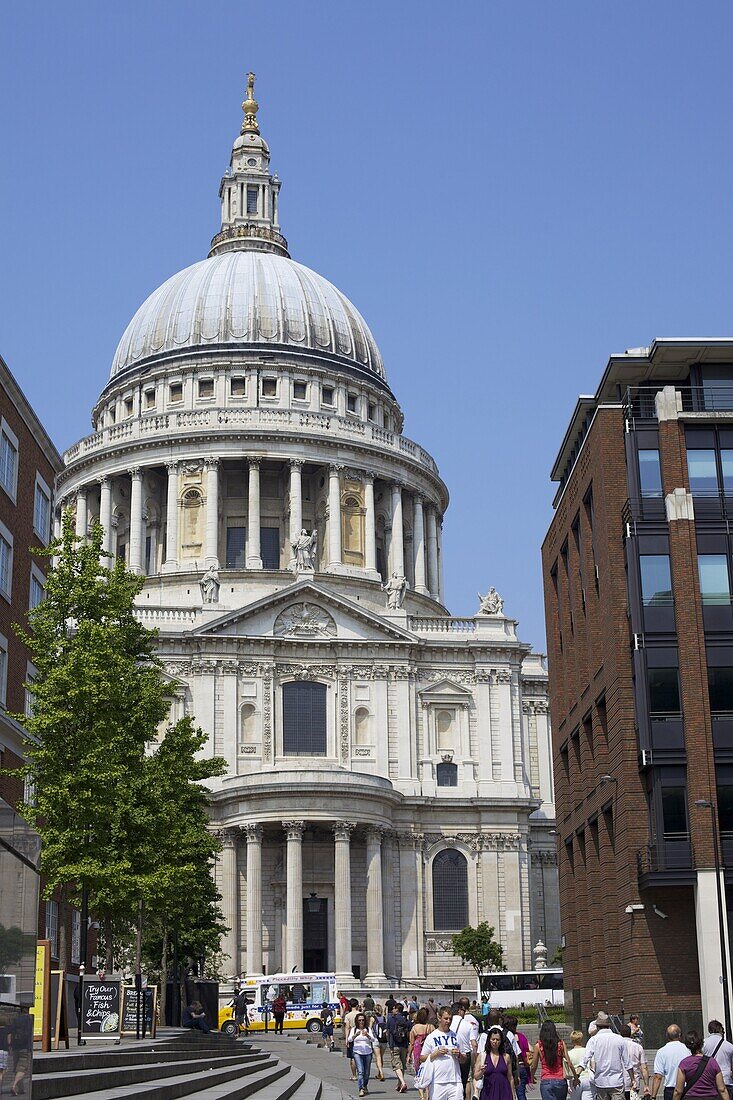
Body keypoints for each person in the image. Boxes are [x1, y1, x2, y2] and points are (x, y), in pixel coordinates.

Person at [580, 1013, 631, 1100]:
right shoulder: (619, 1039)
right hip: (617, 1081)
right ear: (609, 1026)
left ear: (597, 1027)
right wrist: (632, 1079)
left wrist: (578, 1072)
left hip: (601, 1081)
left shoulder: (593, 1040)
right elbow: (627, 1063)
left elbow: (586, 1058)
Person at [420, 1006, 466, 1100]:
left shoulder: (456, 1036)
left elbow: (464, 1059)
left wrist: (459, 1054)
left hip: (455, 1081)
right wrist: (435, 1054)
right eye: (446, 1018)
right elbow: (422, 1058)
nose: (448, 1021)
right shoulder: (432, 1037)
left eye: (450, 1019)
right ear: (439, 1018)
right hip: (438, 1081)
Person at [672, 1029, 729, 1100]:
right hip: (711, 1097)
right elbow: (722, 1089)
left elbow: (678, 1091)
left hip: (691, 1097)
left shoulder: (684, 1063)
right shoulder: (712, 1062)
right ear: (701, 1043)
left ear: (687, 1045)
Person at [532, 1019, 579, 1100]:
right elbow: (569, 1063)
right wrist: (575, 1077)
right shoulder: (561, 1043)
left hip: (546, 1080)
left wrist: (532, 1076)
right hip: (560, 1080)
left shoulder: (538, 1046)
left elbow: (534, 1065)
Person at [475, 1026, 515, 1100]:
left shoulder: (506, 1057)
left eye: (498, 1039)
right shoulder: (482, 1056)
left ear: (501, 1041)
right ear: (489, 1040)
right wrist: (481, 1071)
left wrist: (513, 1095)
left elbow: (510, 1077)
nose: (495, 1041)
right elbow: (476, 1076)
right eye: (493, 1039)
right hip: (487, 1093)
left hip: (504, 1092)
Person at [451, 999, 480, 1099]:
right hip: (465, 1056)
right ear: (459, 1011)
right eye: (463, 1010)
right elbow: (474, 1044)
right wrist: (476, 1059)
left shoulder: (448, 1023)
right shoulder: (468, 1025)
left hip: (451, 1054)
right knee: (465, 1081)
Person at [652, 1026, 690, 1100]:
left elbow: (658, 1077)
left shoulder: (661, 1051)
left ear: (667, 1036)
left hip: (670, 1090)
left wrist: (653, 1096)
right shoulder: (688, 1050)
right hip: (686, 1088)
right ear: (680, 1035)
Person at [348, 1011, 377, 1097]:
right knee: (361, 1071)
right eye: (359, 1020)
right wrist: (355, 1035)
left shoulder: (368, 1029)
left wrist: (367, 1035)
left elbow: (373, 1040)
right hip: (357, 1052)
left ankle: (365, 1085)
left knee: (367, 1072)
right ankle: (361, 1089)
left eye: (363, 1020)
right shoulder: (354, 1029)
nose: (361, 1022)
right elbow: (349, 1040)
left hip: (367, 1052)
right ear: (357, 1021)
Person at [409, 1007, 436, 1100]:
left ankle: (421, 1095)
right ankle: (428, 1094)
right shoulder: (431, 1027)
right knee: (428, 1072)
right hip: (428, 1052)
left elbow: (411, 1043)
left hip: (417, 1052)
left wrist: (409, 1055)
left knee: (419, 1073)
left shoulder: (414, 1028)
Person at [619, 1024, 649, 1100]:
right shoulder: (638, 1047)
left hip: (619, 1082)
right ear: (630, 1034)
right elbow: (644, 1068)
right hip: (634, 1082)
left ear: (620, 1033)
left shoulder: (617, 1046)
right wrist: (646, 1085)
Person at [504, 1015, 531, 1100]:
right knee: (521, 1094)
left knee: (507, 1093)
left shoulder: (504, 1036)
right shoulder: (520, 1036)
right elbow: (530, 1049)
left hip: (507, 1066)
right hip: (521, 1066)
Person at [8, 1006, 32, 1096]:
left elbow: (10, 1032)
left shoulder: (15, 1019)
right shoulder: (28, 1019)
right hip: (25, 1047)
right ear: (25, 1009)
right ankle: (14, 1085)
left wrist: (10, 1045)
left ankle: (21, 1089)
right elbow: (29, 1033)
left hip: (15, 1046)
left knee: (16, 1067)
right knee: (22, 1068)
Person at [388, 1001, 411, 1093]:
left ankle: (403, 1082)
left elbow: (388, 1031)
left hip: (395, 1045)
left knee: (396, 1065)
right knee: (402, 1065)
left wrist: (390, 1044)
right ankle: (399, 1084)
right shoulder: (406, 1020)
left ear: (396, 1009)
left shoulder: (391, 1019)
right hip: (404, 1045)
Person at [704, 1022, 733, 1095]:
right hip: (726, 1080)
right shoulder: (729, 1046)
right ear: (720, 1029)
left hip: (709, 1081)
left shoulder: (703, 1044)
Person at [567, 1031, 593, 1100]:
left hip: (575, 1079)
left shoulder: (569, 1054)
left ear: (572, 1041)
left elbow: (567, 1069)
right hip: (588, 1079)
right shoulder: (587, 1051)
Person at [371, 1004, 388, 1082]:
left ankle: (381, 1073)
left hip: (376, 1039)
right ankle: (379, 1073)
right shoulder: (384, 1018)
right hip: (384, 1040)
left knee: (378, 1057)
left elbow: (370, 1028)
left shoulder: (373, 1018)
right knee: (381, 1057)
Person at [345, 999, 361, 1081]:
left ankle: (354, 1075)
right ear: (357, 1005)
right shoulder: (361, 1014)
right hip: (361, 1037)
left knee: (352, 1058)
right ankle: (361, 1073)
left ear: (350, 1006)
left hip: (352, 1037)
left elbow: (347, 1028)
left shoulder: (348, 1016)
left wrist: (347, 1039)